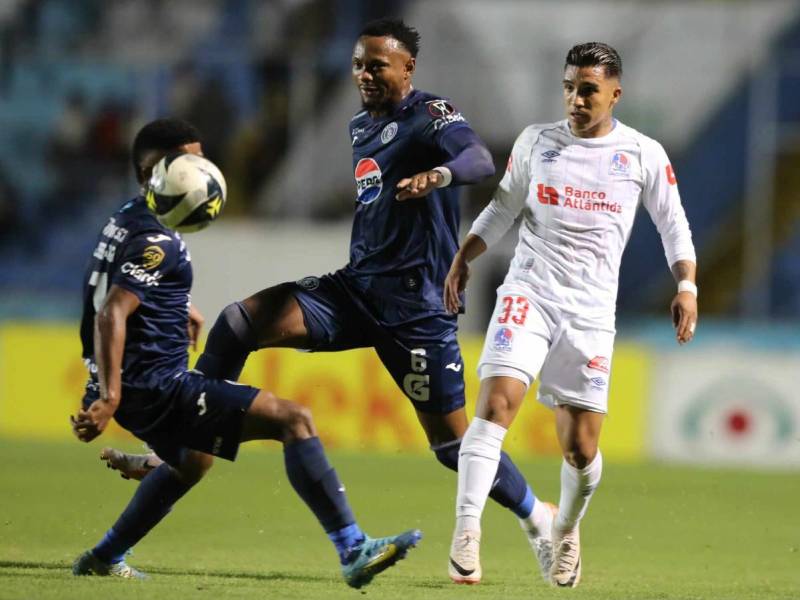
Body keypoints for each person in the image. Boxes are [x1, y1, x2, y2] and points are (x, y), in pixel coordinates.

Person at [70, 118, 421, 588]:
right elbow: (112, 311)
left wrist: (177, 307)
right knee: (293, 419)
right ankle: (353, 548)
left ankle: (105, 555)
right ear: (159, 168)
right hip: (154, 387)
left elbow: (116, 286)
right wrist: (110, 397)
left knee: (193, 462)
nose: (204, 167)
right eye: (191, 158)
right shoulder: (158, 239)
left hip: (138, 383)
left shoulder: (131, 217)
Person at [444, 42, 698, 587]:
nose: (575, 99)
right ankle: (467, 531)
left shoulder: (642, 154)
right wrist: (465, 256)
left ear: (614, 93)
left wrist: (687, 285)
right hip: (528, 292)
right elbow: (503, 206)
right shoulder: (537, 142)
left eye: (587, 89)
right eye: (568, 87)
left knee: (581, 450)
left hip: (589, 314)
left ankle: (567, 529)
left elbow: (673, 223)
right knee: (494, 408)